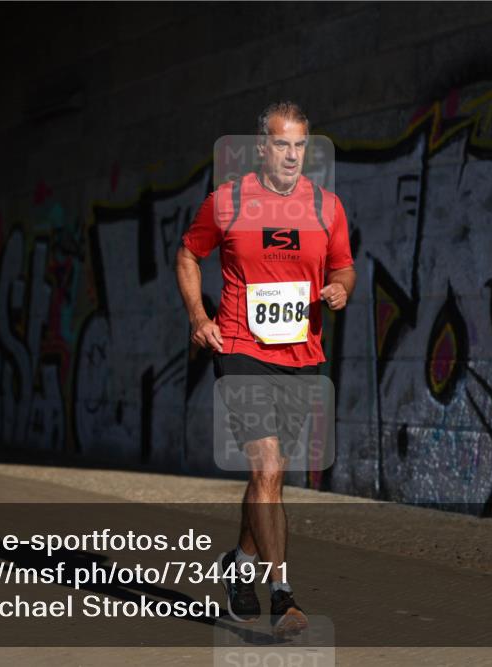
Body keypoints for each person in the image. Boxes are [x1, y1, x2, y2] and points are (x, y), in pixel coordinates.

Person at [176, 102, 355, 634]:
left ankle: (239, 563)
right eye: (283, 145)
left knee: (272, 481)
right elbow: (188, 254)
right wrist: (198, 316)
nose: (293, 155)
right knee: (268, 470)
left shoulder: (327, 208)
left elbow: (344, 267)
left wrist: (339, 290)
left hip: (303, 355)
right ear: (262, 148)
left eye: (301, 146)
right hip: (240, 347)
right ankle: (282, 596)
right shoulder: (227, 202)